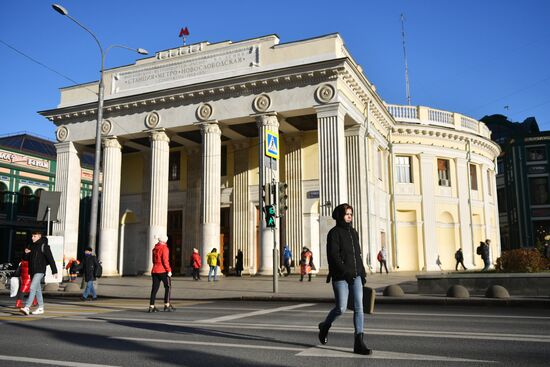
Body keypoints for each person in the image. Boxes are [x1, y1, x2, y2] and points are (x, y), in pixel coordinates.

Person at [318, 203, 371, 355]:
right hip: (340, 277)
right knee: (341, 308)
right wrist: (345, 271)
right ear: (340, 215)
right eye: (347, 213)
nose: (350, 216)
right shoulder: (334, 233)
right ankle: (325, 326)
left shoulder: (354, 232)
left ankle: (359, 342)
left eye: (351, 214)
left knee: (359, 307)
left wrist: (362, 272)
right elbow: (333, 256)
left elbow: (357, 255)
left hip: (356, 276)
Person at [20, 232, 58, 315]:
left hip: (40, 270)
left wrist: (54, 271)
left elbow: (51, 259)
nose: (32, 238)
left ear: (39, 236)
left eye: (34, 236)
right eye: (32, 236)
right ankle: (41, 308)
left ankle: (27, 307)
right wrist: (26, 253)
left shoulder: (44, 246)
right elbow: (25, 259)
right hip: (32, 270)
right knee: (38, 290)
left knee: (32, 287)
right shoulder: (31, 245)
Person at [148, 235, 175, 312]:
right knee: (168, 287)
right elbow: (165, 260)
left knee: (154, 289)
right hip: (163, 270)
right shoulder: (164, 248)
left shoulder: (154, 249)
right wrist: (169, 270)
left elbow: (153, 260)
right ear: (165, 241)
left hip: (154, 270)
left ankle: (151, 306)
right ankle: (167, 305)